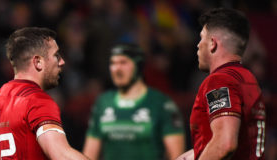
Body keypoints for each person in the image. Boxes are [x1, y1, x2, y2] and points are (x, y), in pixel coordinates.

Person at [0, 27, 89, 160]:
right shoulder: (37, 101)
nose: (62, 62)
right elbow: (60, 154)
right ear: (38, 62)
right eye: (56, 55)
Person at [180, 8, 266, 160]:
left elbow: (224, 144)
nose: (198, 45)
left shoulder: (220, 80)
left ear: (212, 43)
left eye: (202, 38)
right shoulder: (248, 79)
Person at [83, 43, 185, 160]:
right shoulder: (103, 102)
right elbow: (89, 155)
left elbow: (177, 157)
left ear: (138, 65)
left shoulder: (162, 103)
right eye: (113, 63)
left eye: (123, 62)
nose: (116, 69)